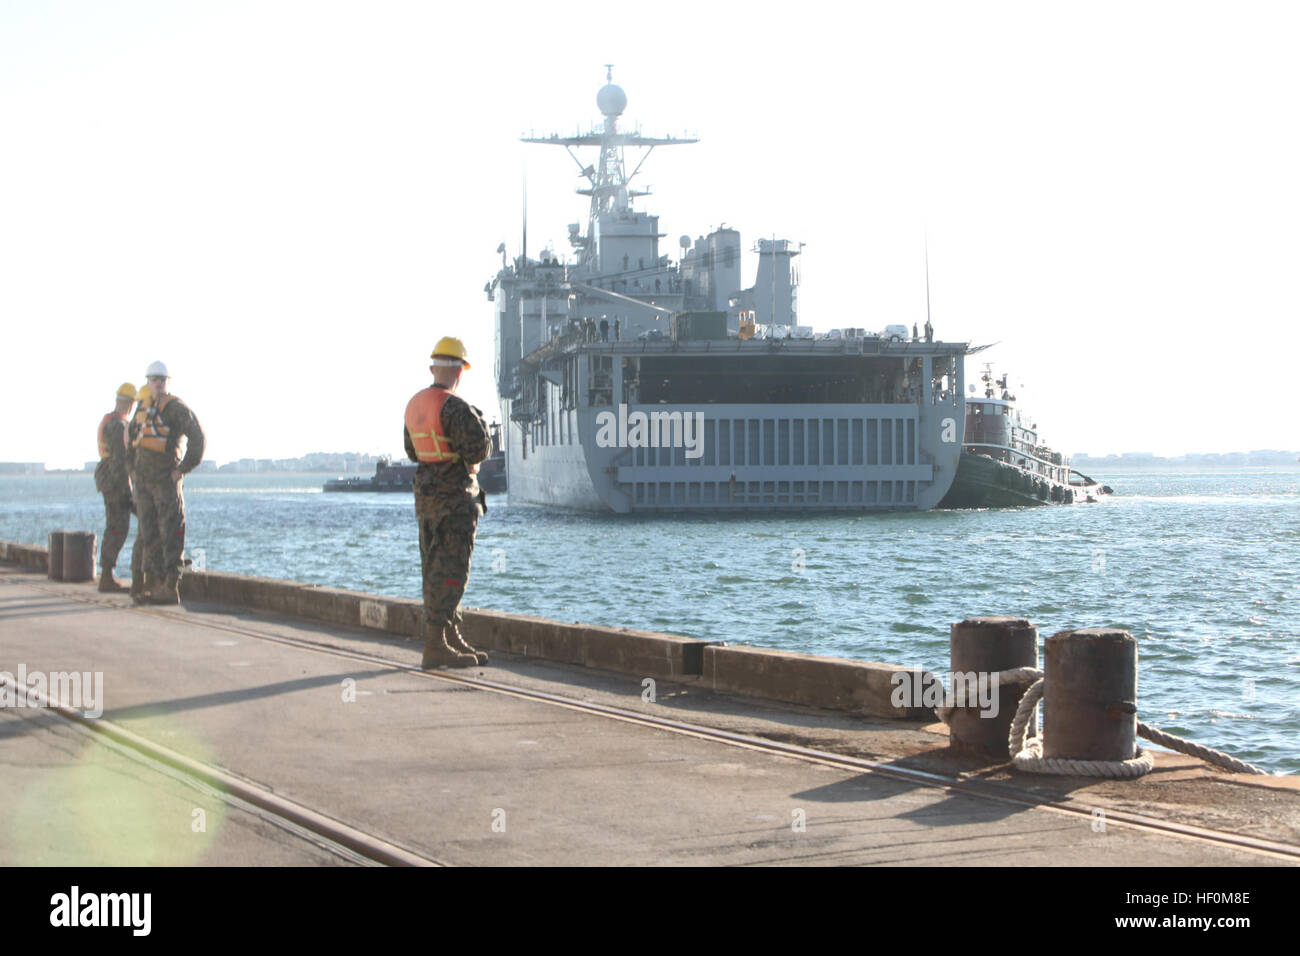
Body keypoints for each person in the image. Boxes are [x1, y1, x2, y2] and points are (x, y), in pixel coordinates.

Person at [404, 337, 491, 669]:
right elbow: (479, 450)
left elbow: (413, 452)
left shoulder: (414, 404)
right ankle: (435, 644)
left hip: (425, 498)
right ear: (460, 371)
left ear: (432, 367)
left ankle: (449, 634)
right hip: (455, 499)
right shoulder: (455, 407)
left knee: (433, 566)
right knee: (453, 570)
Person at [133, 361, 205, 605]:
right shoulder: (142, 407)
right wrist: (132, 470)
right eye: (154, 379)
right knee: (149, 533)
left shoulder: (175, 408)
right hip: (143, 482)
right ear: (147, 381)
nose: (158, 383)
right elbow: (132, 438)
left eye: (162, 379)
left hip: (165, 482)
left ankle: (170, 586)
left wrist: (182, 469)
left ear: (168, 382)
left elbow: (197, 438)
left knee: (171, 533)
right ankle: (152, 584)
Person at [94, 383, 137, 591]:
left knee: (115, 525)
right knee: (118, 527)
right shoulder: (119, 426)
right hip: (115, 482)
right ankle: (107, 576)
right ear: (130, 404)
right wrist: (128, 492)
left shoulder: (110, 421)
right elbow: (121, 461)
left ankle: (107, 574)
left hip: (107, 479)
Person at [126, 384, 158, 602]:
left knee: (142, 535)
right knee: (150, 535)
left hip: (139, 485)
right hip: (150, 486)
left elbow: (128, 457)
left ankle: (137, 582)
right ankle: (148, 583)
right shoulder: (147, 422)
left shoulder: (133, 425)